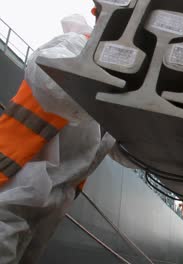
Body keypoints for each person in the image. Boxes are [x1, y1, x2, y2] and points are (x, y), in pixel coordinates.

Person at [0, 9, 136, 263]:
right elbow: (47, 75)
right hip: (10, 187)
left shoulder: (126, 86)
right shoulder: (76, 45)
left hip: (47, 207)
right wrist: (111, 95)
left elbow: (126, 149)